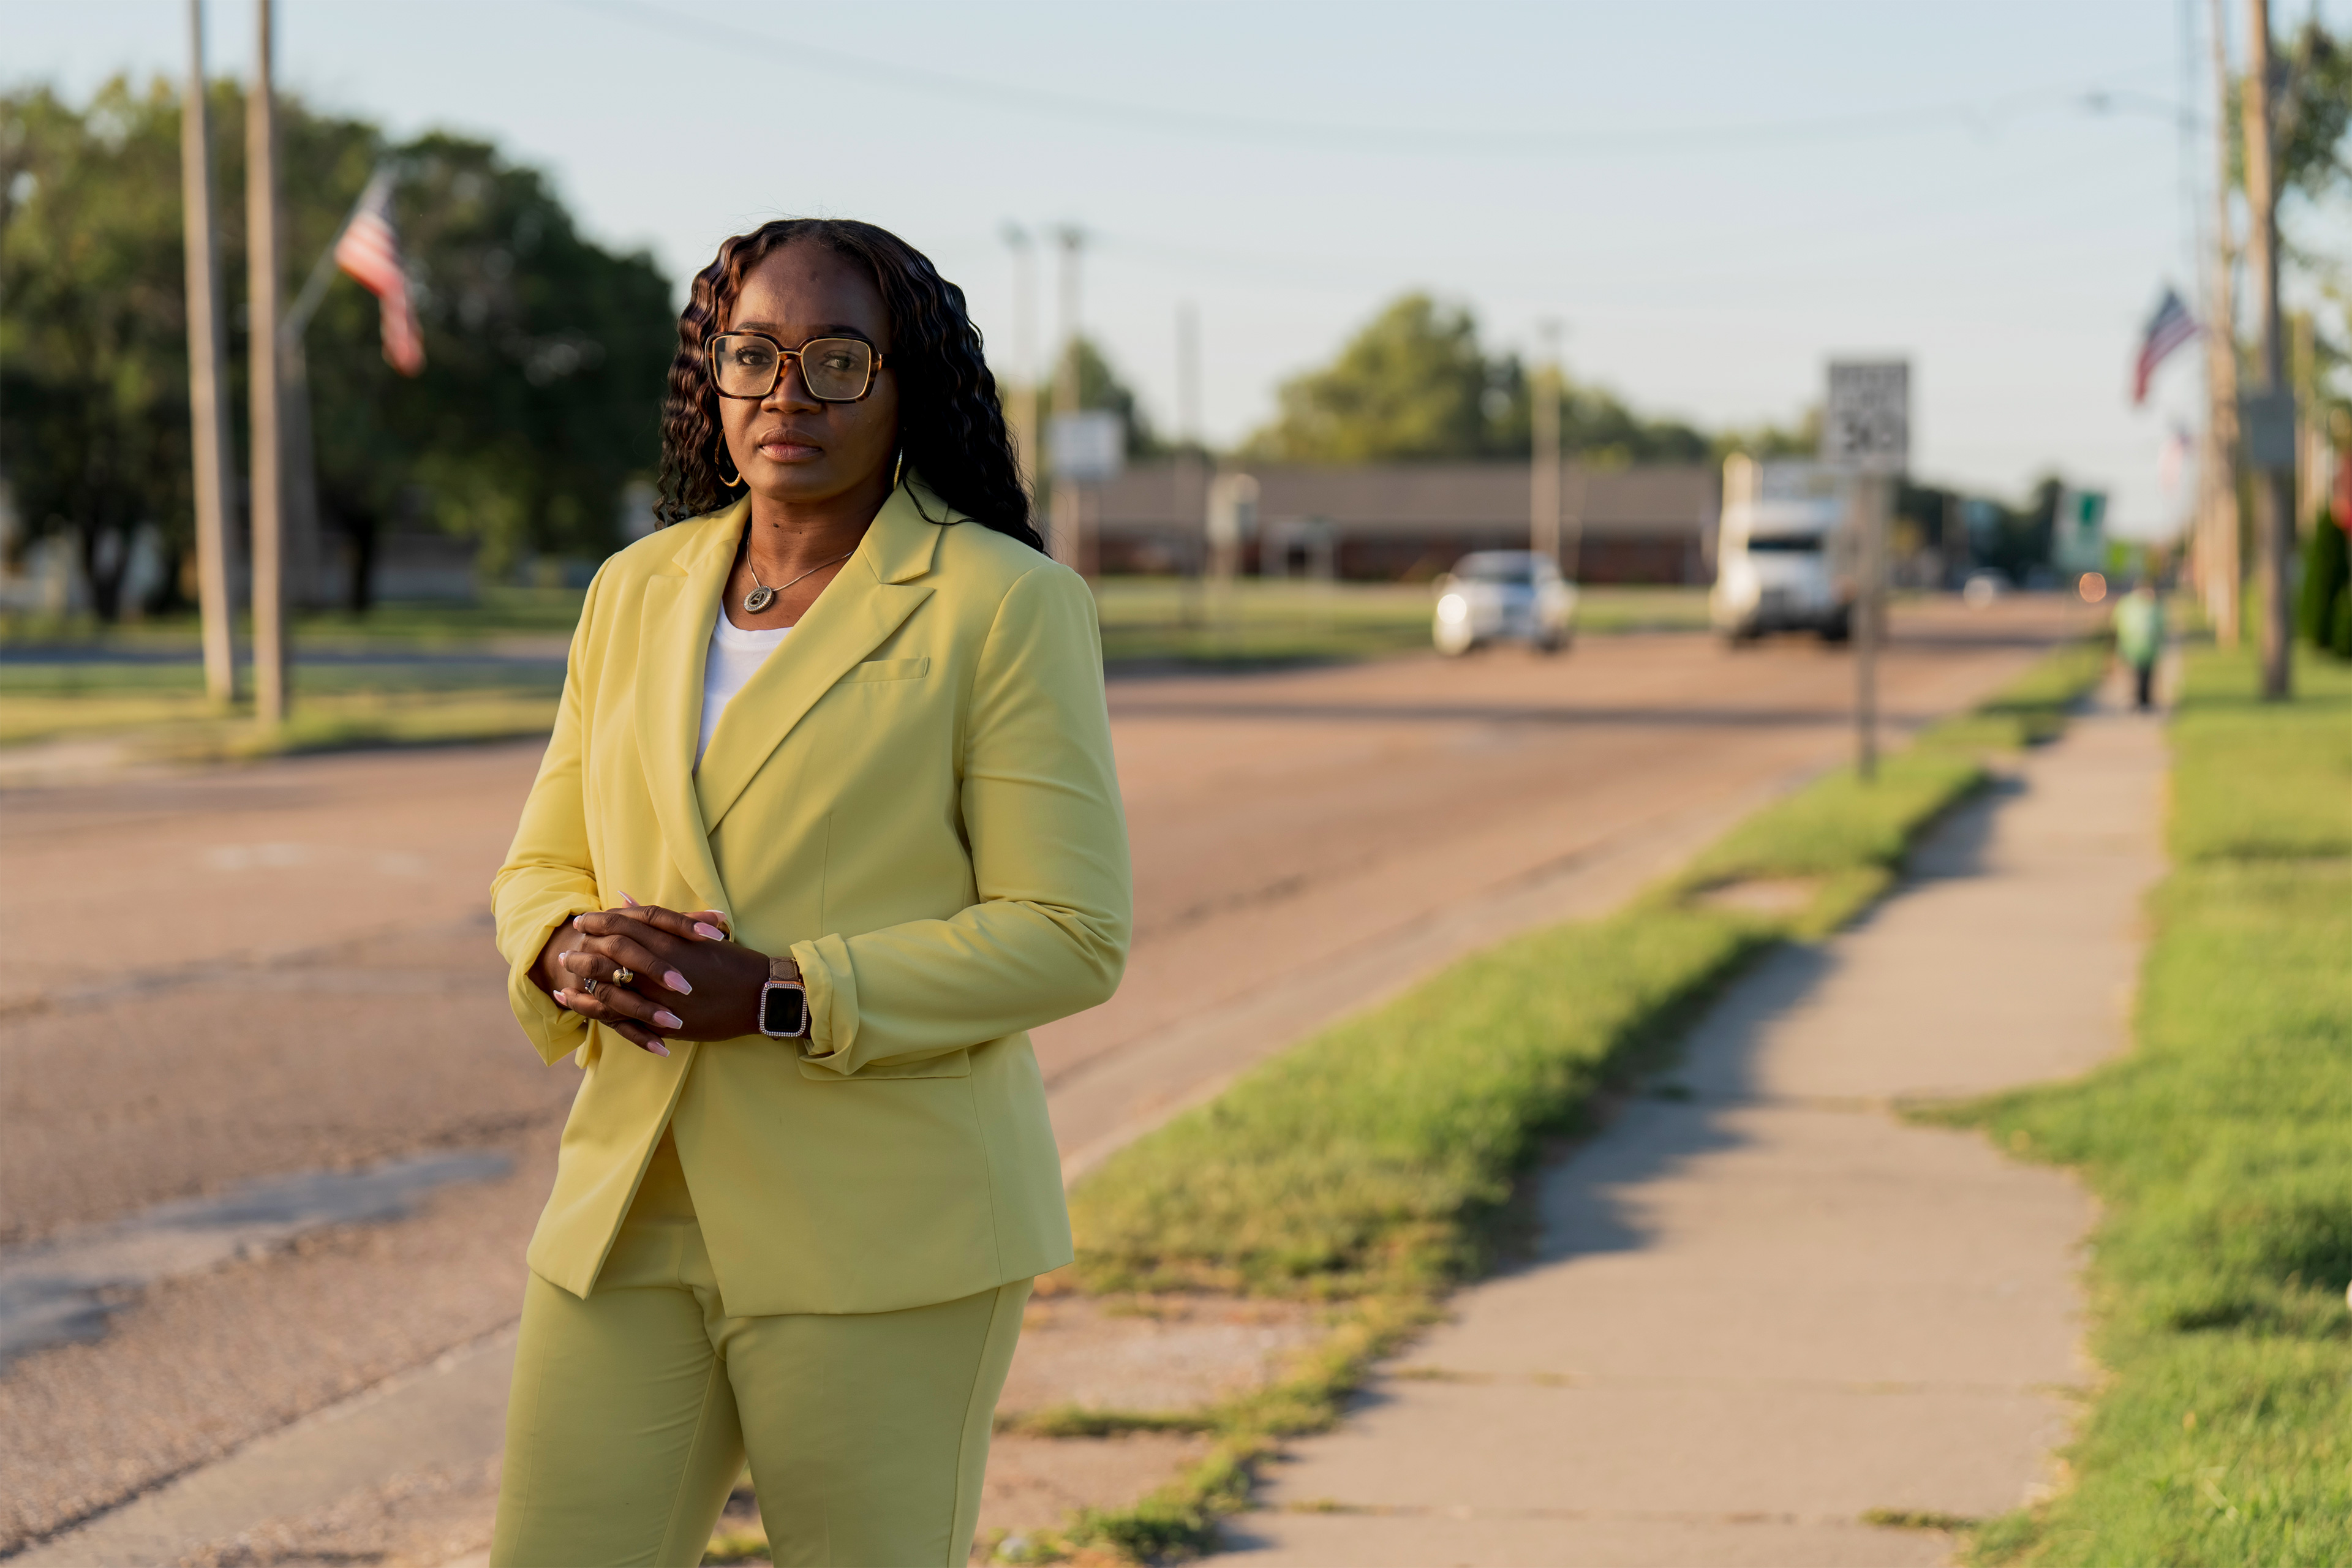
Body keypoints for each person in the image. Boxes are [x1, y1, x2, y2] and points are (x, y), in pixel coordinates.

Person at [486, 219, 1131, 1567]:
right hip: (635, 1194)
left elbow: (1068, 934)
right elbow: (544, 858)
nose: (790, 392)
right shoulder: (635, 592)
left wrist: (784, 991)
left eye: (840, 359)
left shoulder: (1004, 603)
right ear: (709, 378)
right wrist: (562, 947)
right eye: (756, 355)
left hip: (884, 1217)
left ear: (907, 389)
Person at [2114, 575, 2165, 711]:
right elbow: (2119, 622)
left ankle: (2145, 701)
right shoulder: (2131, 604)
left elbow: (2161, 624)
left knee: (2145, 676)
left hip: (2146, 647)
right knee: (2136, 675)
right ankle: (2139, 700)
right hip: (2134, 646)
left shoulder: (2152, 606)